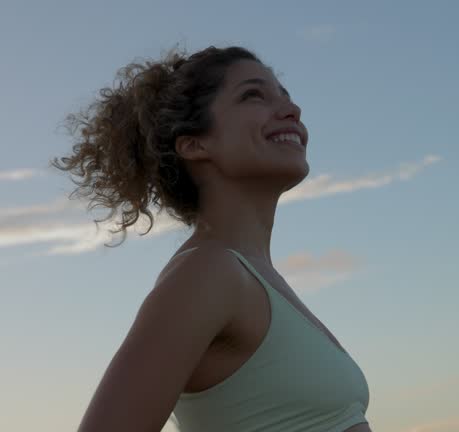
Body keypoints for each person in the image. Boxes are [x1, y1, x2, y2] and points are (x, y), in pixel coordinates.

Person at [50, 45, 371, 432]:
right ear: (194, 144)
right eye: (254, 95)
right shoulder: (208, 272)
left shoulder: (254, 276)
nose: (292, 110)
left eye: (285, 96)